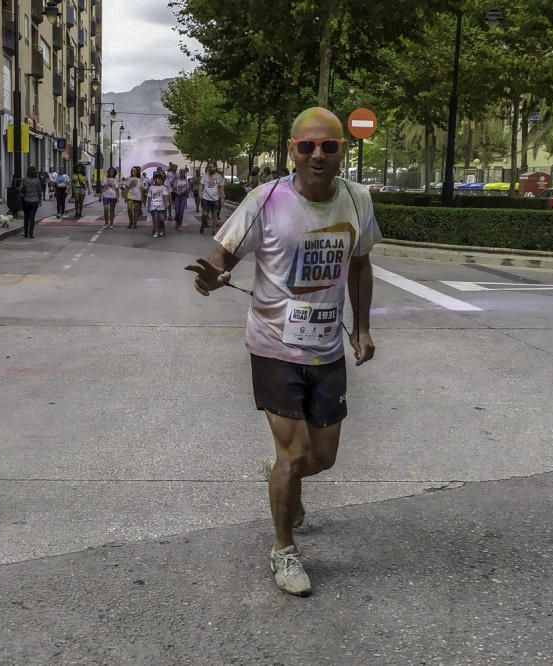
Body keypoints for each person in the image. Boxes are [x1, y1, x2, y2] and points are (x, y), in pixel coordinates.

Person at [185, 107, 380, 597]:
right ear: (291, 149)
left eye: (329, 146)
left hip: (327, 346)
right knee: (292, 453)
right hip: (273, 345)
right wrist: (213, 275)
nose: (318, 154)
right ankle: (284, 548)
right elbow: (222, 254)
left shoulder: (356, 201)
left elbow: (360, 266)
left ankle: (282, 479)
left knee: (325, 457)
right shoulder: (265, 199)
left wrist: (362, 328)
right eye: (307, 146)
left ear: (342, 151)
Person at [199, 162, 225, 234]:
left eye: (211, 167)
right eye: (209, 167)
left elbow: (221, 188)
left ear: (215, 168)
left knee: (214, 215)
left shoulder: (219, 177)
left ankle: (214, 230)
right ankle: (203, 224)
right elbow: (201, 186)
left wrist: (222, 198)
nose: (209, 169)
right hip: (206, 198)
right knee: (205, 214)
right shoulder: (205, 176)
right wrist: (200, 194)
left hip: (215, 199)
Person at [19, 165, 43, 239]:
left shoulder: (24, 179)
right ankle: (31, 234)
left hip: (26, 201)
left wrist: (22, 195)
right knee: (32, 217)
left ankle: (25, 233)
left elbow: (20, 189)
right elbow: (39, 191)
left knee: (26, 217)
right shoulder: (37, 180)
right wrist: (40, 200)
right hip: (34, 201)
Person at [147, 172, 170, 238]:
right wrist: (148, 207)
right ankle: (156, 231)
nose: (159, 180)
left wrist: (166, 204)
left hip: (161, 206)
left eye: (160, 179)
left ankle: (162, 229)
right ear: (154, 179)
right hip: (153, 206)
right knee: (155, 219)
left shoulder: (163, 187)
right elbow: (149, 197)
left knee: (162, 218)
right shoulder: (151, 187)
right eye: (157, 179)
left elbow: (165, 196)